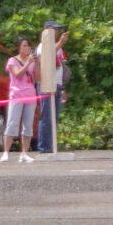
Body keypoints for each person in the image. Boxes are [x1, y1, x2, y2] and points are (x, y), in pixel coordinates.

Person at [1, 36, 38, 163]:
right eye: (24, 45)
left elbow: (37, 78)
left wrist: (36, 64)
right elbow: (18, 74)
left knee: (28, 126)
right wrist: (28, 63)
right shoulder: (12, 61)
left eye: (28, 46)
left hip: (30, 95)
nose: (27, 48)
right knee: (12, 123)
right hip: (16, 95)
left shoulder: (32, 61)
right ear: (18, 47)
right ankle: (6, 152)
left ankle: (24, 153)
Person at [36, 21, 69, 154]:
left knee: (54, 117)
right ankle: (44, 146)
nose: (57, 32)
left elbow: (62, 66)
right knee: (46, 116)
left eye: (57, 30)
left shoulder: (58, 47)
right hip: (46, 84)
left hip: (57, 83)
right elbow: (45, 57)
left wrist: (63, 88)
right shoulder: (42, 45)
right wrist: (60, 43)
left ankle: (51, 145)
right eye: (54, 29)